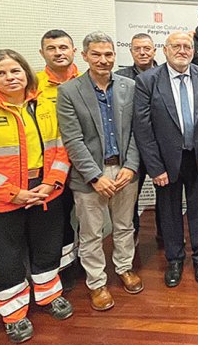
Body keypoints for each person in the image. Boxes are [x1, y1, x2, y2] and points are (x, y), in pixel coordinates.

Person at [0, 49, 73, 343]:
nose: (10, 77)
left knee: (47, 249)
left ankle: (49, 295)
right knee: (5, 261)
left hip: (43, 194)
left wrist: (51, 183)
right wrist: (13, 194)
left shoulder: (44, 107)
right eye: (1, 73)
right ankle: (14, 315)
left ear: (26, 73)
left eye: (15, 71)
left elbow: (61, 148)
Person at [57, 32, 143, 311]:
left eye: (108, 54)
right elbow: (72, 139)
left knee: (124, 225)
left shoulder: (130, 86)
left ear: (114, 56)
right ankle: (96, 283)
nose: (103, 60)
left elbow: (138, 132)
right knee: (92, 233)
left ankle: (124, 267)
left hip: (124, 171)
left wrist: (131, 166)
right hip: (90, 175)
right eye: (96, 54)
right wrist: (95, 176)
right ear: (84, 56)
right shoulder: (69, 91)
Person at [133, 32, 198, 287]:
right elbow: (143, 128)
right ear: (165, 50)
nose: (182, 50)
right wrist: (155, 167)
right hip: (166, 162)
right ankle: (174, 259)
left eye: (187, 46)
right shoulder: (148, 81)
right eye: (176, 46)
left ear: (193, 50)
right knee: (169, 212)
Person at [36, 29, 80, 287]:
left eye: (63, 47)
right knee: (58, 221)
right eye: (51, 48)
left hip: (85, 164)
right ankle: (64, 270)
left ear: (74, 51)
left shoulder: (87, 80)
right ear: (42, 53)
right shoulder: (33, 86)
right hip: (53, 169)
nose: (58, 53)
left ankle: (83, 261)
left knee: (87, 218)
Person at [117, 33, 163, 241]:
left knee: (165, 194)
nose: (142, 52)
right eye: (137, 49)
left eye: (147, 48)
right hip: (132, 147)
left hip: (159, 146)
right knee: (130, 195)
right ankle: (132, 234)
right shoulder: (120, 78)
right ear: (131, 51)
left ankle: (165, 233)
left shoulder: (165, 74)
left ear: (154, 50)